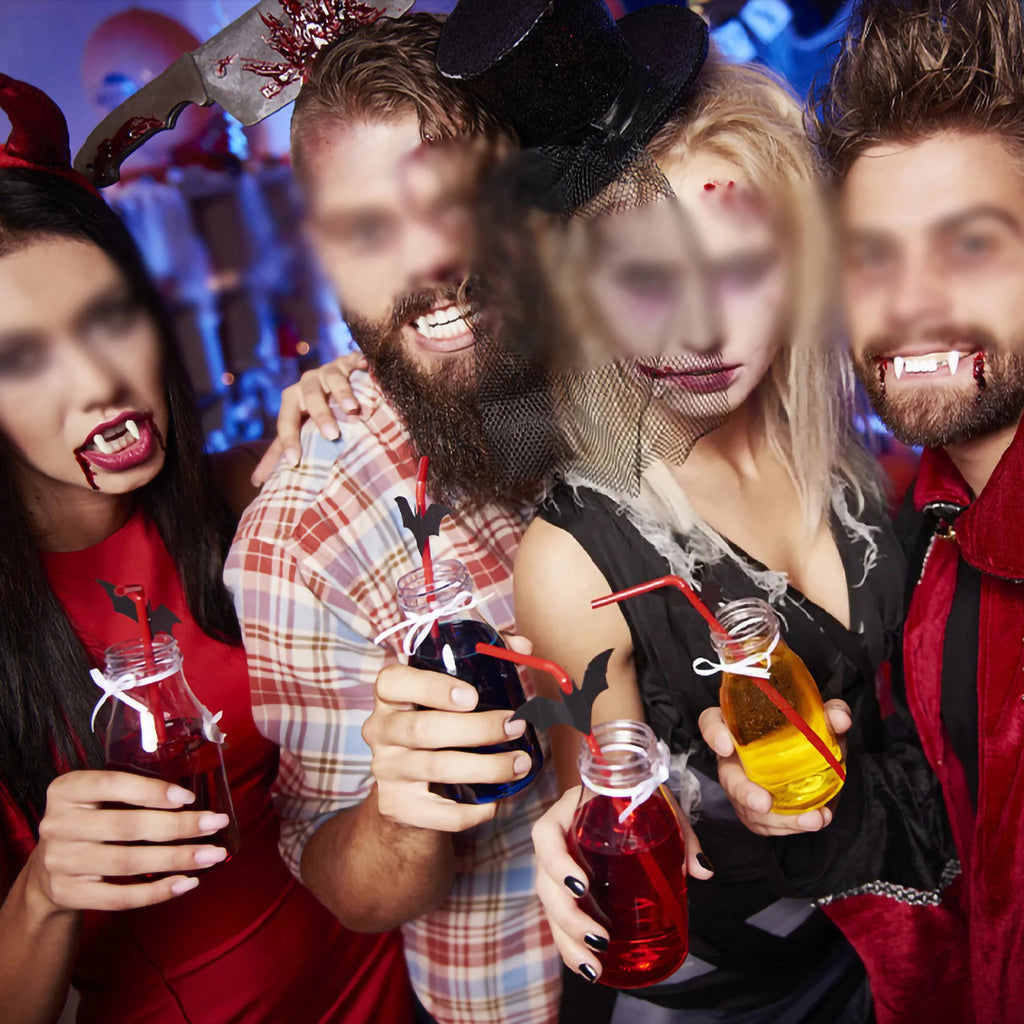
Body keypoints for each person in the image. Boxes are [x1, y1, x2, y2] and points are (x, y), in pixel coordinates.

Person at [224, 7, 713, 1022]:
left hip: (754, 950)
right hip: (527, 995)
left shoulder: (635, 365)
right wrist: (401, 813)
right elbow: (346, 886)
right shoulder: (305, 526)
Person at [514, 54, 935, 1022]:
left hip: (887, 957)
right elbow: (611, 810)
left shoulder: (857, 459)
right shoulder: (575, 554)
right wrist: (656, 811)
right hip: (708, 995)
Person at [0, 76, 413, 1023]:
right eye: (22, 358)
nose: (101, 381)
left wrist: (347, 399)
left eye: (110, 318)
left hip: (385, 981)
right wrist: (41, 894)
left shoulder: (240, 490)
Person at [703, 1, 1024, 1021]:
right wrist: (814, 808)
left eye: (969, 244)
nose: (910, 299)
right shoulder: (924, 521)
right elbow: (960, 846)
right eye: (872, 255)